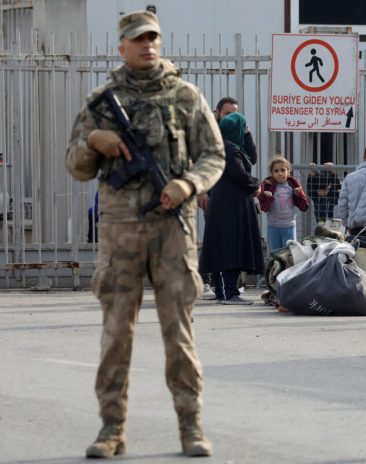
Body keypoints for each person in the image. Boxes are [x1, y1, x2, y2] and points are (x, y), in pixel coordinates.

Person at [65, 10, 224, 458]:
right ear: (122, 45)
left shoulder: (185, 96)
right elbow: (75, 168)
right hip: (120, 232)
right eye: (137, 39)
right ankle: (111, 428)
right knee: (117, 332)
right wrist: (92, 142)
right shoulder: (101, 101)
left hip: (173, 228)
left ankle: (190, 425)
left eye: (152, 37)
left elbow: (214, 156)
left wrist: (186, 184)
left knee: (180, 332)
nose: (147, 45)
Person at [199, 112, 265, 304]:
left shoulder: (222, 147)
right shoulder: (230, 150)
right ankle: (231, 292)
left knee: (221, 247)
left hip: (221, 203)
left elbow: (251, 156)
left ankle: (221, 291)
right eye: (243, 128)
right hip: (233, 205)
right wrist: (255, 184)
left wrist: (248, 134)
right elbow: (239, 174)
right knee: (232, 248)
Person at [197, 96, 244, 300]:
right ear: (217, 113)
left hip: (232, 197)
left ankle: (222, 287)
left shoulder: (237, 132)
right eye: (227, 112)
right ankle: (215, 284)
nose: (232, 116)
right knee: (216, 241)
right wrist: (202, 191)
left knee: (227, 242)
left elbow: (252, 155)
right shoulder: (209, 136)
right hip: (214, 195)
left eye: (235, 112)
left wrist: (247, 131)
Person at [258, 156, 309, 251]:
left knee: (290, 254)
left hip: (289, 226)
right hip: (273, 227)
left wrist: (299, 194)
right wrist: (265, 195)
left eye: (283, 170)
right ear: (272, 173)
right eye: (276, 171)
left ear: (288, 172)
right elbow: (261, 202)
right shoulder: (268, 185)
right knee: (275, 254)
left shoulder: (293, 186)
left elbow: (303, 204)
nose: (280, 173)